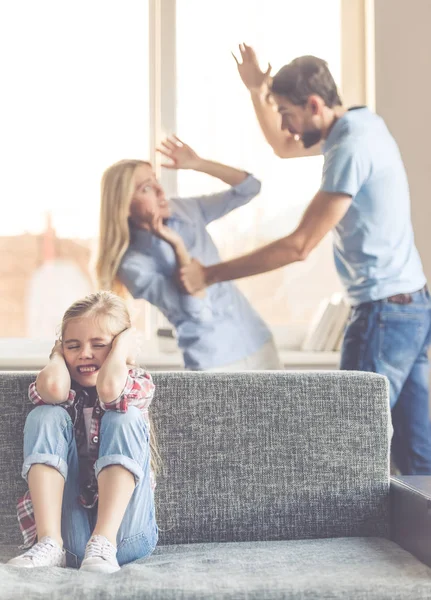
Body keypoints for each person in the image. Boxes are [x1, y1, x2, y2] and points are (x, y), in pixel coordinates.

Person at [177, 47, 431, 476]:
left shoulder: (350, 146)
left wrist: (210, 273)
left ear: (314, 105)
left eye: (286, 113)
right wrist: (259, 90)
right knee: (418, 456)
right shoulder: (361, 122)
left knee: (345, 448)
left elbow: (299, 246)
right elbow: (282, 147)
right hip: (412, 306)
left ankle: (346, 544)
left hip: (384, 314)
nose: (284, 125)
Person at [96, 136, 281, 371]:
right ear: (124, 206)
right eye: (146, 188)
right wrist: (177, 247)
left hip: (256, 340)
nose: (161, 191)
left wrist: (198, 163)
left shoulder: (185, 210)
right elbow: (197, 311)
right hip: (213, 360)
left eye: (156, 181)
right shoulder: (133, 265)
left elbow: (249, 188)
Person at [8, 291, 158, 572]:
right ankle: (48, 543)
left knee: (123, 417)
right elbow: (53, 389)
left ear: (118, 349)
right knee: (45, 414)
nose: (84, 354)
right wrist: (55, 355)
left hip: (124, 539)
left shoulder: (137, 383)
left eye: (99, 345)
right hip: (69, 543)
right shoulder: (61, 385)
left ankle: (103, 542)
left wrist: (124, 344)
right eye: (72, 346)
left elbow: (111, 389)